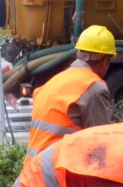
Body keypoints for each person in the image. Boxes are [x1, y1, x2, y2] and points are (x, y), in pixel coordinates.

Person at [24, 25, 115, 166]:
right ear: (105, 61)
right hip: (55, 176)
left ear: (78, 54)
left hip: (32, 174)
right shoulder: (94, 87)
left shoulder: (56, 80)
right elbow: (99, 146)